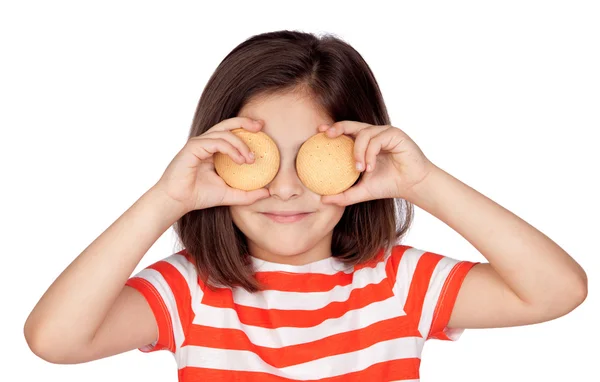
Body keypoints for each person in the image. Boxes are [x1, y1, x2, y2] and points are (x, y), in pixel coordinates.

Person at [23, 30, 588, 381]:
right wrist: (164, 200)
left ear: (362, 158)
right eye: (258, 159)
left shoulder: (397, 285)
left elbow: (557, 290)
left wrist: (422, 182)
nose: (288, 188)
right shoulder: (189, 292)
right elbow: (54, 340)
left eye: (313, 159)